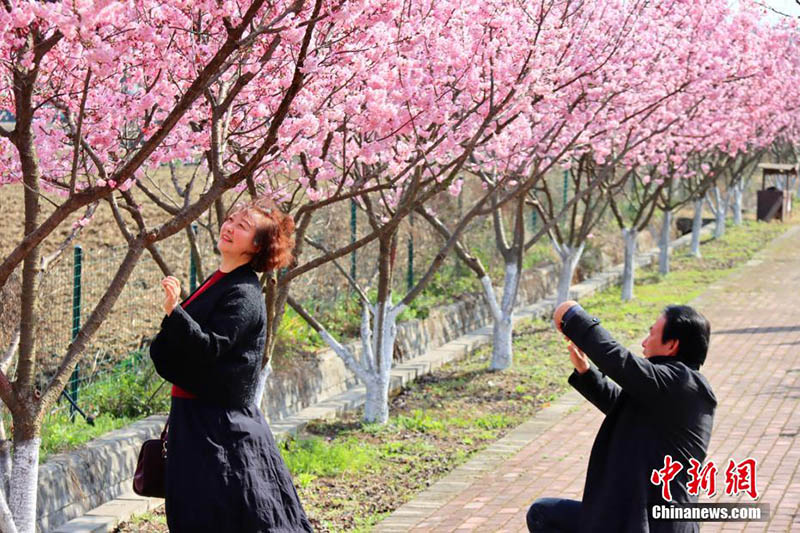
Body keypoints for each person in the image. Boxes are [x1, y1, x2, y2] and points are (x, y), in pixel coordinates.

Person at [149, 198, 314, 532]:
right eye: (232, 220)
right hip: (196, 418)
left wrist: (174, 311)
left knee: (228, 513)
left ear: (256, 248)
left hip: (219, 427)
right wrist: (176, 314)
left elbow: (210, 348)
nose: (229, 227)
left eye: (242, 227)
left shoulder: (243, 293)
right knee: (196, 510)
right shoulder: (221, 280)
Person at [526, 301, 717, 533]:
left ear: (672, 345)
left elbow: (618, 360)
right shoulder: (672, 390)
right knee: (544, 514)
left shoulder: (682, 383)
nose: (644, 343)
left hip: (655, 524)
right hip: (635, 517)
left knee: (544, 515)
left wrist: (572, 316)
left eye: (652, 334)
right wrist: (586, 373)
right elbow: (622, 406)